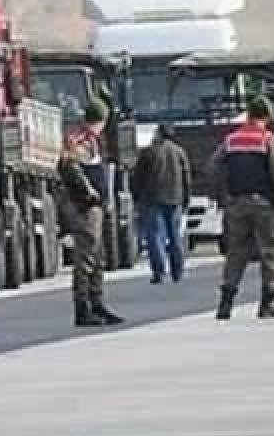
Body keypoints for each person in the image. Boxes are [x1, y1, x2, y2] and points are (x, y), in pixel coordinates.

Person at [209, 96, 274, 320]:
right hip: (265, 205)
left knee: (236, 253)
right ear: (267, 116)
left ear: (248, 115)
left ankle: (226, 302)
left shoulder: (230, 140)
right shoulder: (268, 140)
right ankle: (268, 303)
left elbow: (213, 167)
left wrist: (223, 195)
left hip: (236, 204)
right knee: (272, 252)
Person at [58, 100, 123, 328]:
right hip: (84, 207)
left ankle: (98, 304)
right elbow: (71, 168)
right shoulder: (79, 140)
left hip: (96, 207)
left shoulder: (93, 140)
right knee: (86, 259)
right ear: (100, 120)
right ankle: (83, 308)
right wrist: (90, 191)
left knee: (98, 258)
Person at [133, 122, 191, 284]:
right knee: (175, 236)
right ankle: (177, 271)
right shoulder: (179, 152)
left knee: (155, 236)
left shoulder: (148, 152)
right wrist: (186, 198)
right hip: (175, 198)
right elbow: (187, 177)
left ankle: (159, 272)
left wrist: (137, 197)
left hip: (152, 199)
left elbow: (138, 177)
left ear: (158, 133)